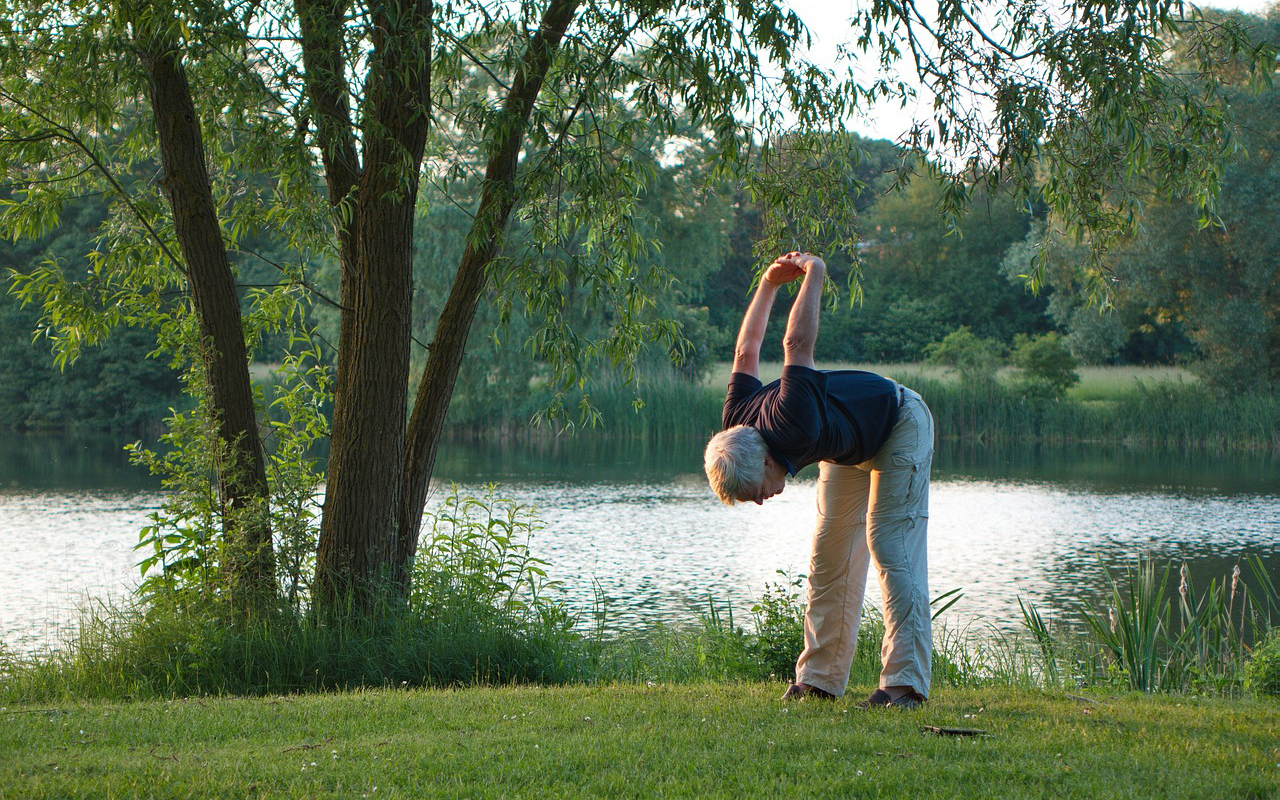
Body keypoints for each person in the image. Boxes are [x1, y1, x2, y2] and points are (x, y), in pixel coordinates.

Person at [703, 251, 934, 709]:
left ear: (766, 462)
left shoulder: (794, 422)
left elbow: (796, 345)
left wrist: (815, 275)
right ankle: (819, 680)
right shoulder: (736, 423)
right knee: (829, 556)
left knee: (889, 545)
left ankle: (904, 686)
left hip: (899, 422)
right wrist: (767, 284)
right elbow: (745, 351)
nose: (763, 502)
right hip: (847, 444)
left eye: (756, 495)